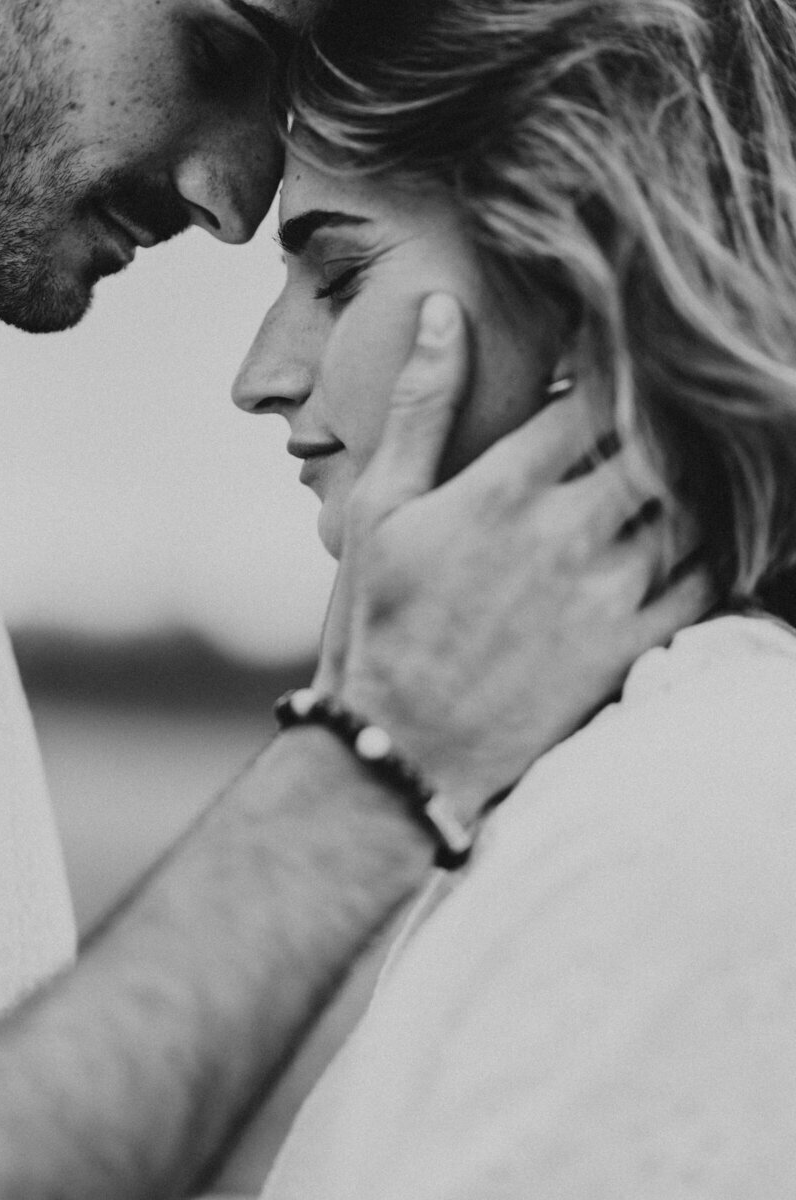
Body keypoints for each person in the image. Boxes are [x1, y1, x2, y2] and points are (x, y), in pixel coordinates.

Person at [0, 0, 705, 1195]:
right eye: (216, 47)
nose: (229, 202)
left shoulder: (702, 791)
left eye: (339, 273)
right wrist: (377, 755)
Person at [227, 0, 796, 1195]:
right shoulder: (622, 774)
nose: (261, 376)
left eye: (337, 275)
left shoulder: (689, 814)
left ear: (582, 281)